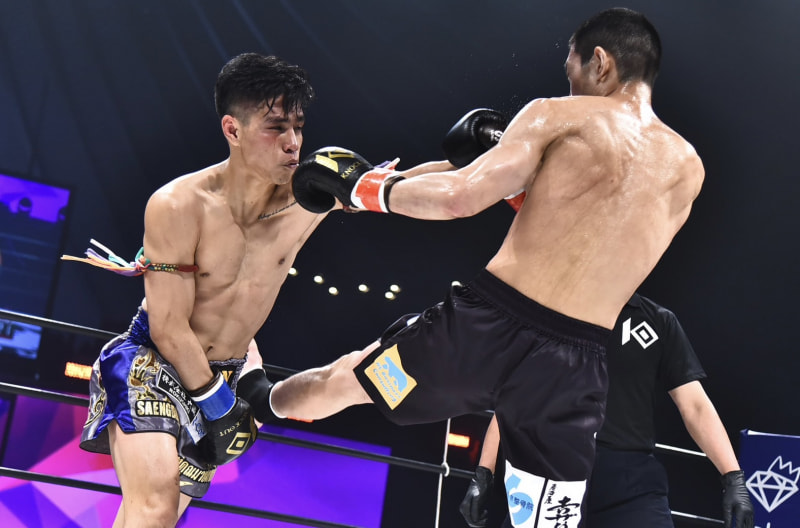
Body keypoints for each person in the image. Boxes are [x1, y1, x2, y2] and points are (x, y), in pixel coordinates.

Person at [269, 7, 705, 527]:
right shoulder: (688, 169)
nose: (569, 88)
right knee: (547, 522)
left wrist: (362, 188)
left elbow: (460, 196)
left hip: (479, 333)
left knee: (348, 380)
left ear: (600, 62)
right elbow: (600, 233)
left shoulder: (557, 115)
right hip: (572, 372)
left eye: (571, 72)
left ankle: (255, 403)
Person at [70, 53, 320, 527]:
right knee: (155, 509)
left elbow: (395, 187)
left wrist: (472, 165)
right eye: (276, 128)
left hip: (224, 374)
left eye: (299, 128)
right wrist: (218, 404)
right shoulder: (178, 203)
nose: (293, 143)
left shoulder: (307, 198)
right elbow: (167, 326)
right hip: (154, 363)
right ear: (233, 129)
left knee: (151, 521)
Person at [459, 294, 754, 528]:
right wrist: (483, 474)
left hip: (629, 482)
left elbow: (695, 406)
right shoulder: (549, 312)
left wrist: (733, 478)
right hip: (550, 472)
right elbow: (514, 399)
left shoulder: (657, 320)